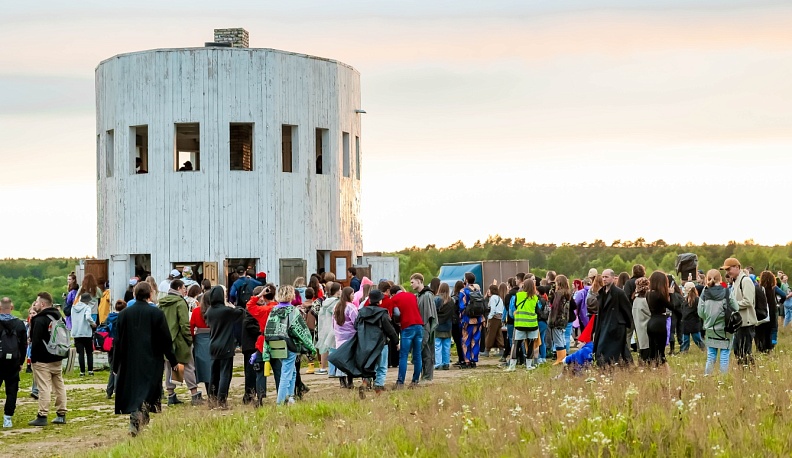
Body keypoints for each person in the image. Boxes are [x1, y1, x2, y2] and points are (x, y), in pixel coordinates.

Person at [114, 282, 178, 436]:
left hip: (130, 359)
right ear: (150, 294)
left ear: (135, 294)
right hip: (152, 358)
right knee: (148, 389)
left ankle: (138, 418)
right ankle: (138, 419)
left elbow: (118, 341)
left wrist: (116, 365)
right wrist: (173, 359)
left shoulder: (123, 314)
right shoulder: (156, 314)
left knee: (135, 389)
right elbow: (165, 340)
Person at [263, 285, 316, 405]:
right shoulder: (293, 311)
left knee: (291, 371)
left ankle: (291, 398)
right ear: (291, 295)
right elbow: (301, 331)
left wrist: (266, 349)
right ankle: (281, 402)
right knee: (286, 373)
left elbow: (268, 329)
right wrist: (310, 347)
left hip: (275, 344)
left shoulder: (273, 310)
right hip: (290, 345)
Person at [159, 279, 202, 406]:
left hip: (166, 340)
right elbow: (184, 324)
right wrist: (189, 338)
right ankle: (195, 394)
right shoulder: (180, 302)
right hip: (180, 340)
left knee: (171, 366)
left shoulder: (162, 303)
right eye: (184, 288)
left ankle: (171, 395)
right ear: (178, 288)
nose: (185, 291)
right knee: (188, 365)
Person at [28, 292, 68, 427]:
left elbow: (36, 341)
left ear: (43, 304)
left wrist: (32, 360)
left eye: (37, 302)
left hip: (42, 359)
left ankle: (42, 415)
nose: (36, 304)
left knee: (44, 387)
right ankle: (61, 414)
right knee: (59, 385)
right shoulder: (58, 316)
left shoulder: (39, 319)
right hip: (57, 356)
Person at [204, 286, 244, 408]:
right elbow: (241, 312)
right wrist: (231, 305)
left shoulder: (209, 311)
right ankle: (222, 400)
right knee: (225, 373)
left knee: (214, 374)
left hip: (213, 344)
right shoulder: (226, 311)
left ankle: (212, 398)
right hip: (225, 344)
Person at [698, 269, 739, 375]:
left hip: (710, 328)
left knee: (711, 356)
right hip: (725, 328)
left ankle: (707, 377)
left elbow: (700, 312)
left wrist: (707, 318)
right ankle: (723, 379)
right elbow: (736, 307)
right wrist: (723, 284)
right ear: (720, 278)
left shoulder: (704, 292)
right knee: (724, 356)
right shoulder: (726, 290)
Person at [593, 269, 633, 366]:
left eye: (606, 277)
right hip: (604, 324)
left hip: (615, 327)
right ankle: (606, 366)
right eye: (603, 277)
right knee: (602, 347)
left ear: (613, 278)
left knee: (616, 349)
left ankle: (618, 367)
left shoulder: (619, 293)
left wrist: (622, 323)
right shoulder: (601, 293)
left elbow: (627, 310)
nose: (604, 279)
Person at [245, 285, 276, 406]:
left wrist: (258, 295)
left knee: (260, 370)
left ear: (264, 296)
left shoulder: (263, 310)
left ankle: (260, 397)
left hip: (264, 341)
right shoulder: (278, 308)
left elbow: (249, 306)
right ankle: (282, 394)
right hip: (278, 341)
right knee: (279, 370)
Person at [722, 257, 756, 365]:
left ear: (737, 267)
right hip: (739, 323)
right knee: (738, 351)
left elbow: (748, 301)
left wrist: (732, 305)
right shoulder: (736, 281)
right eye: (726, 270)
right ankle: (744, 374)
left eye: (729, 269)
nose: (727, 272)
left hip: (746, 323)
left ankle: (749, 374)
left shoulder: (745, 281)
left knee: (745, 352)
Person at [0, 297, 27, 428]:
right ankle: (7, 418)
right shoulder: (19, 324)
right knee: (12, 390)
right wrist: (21, 361)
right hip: (13, 362)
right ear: (12, 308)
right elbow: (23, 345)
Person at [391, 281, 424, 388]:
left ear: (393, 294)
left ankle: (400, 382)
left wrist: (398, 322)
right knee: (417, 354)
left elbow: (397, 313)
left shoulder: (395, 299)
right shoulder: (412, 295)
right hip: (419, 325)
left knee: (404, 355)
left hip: (407, 326)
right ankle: (415, 381)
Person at [505, 278, 540, 371]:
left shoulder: (519, 295)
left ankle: (512, 366)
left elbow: (516, 306)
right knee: (530, 345)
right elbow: (537, 310)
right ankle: (529, 365)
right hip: (532, 324)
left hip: (520, 324)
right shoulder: (535, 298)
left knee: (516, 344)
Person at [411, 274, 437, 382]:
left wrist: (426, 329)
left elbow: (429, 315)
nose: (411, 284)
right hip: (420, 327)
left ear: (419, 281)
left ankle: (427, 376)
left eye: (412, 282)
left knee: (427, 352)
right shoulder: (419, 295)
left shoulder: (427, 295)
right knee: (421, 352)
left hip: (426, 327)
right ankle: (423, 375)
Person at [332, 287, 358, 389]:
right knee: (349, 360)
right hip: (350, 337)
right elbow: (356, 321)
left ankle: (342, 381)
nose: (353, 296)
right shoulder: (351, 307)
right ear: (348, 295)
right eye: (352, 294)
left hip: (339, 337)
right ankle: (350, 381)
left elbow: (333, 322)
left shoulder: (336, 306)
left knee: (341, 359)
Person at [458, 272, 484, 369]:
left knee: (466, 339)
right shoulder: (478, 290)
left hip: (467, 319)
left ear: (466, 280)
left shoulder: (463, 291)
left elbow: (461, 306)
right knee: (476, 340)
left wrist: (461, 316)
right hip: (479, 319)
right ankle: (474, 360)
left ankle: (467, 360)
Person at [646, 271, 670, 368]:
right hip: (660, 322)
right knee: (661, 351)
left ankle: (652, 369)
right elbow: (671, 307)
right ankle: (664, 371)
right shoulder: (660, 295)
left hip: (651, 322)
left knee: (652, 350)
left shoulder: (648, 294)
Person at [189, 292, 212, 394]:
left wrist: (192, 339)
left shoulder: (196, 311)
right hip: (213, 336)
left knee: (203, 365)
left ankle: (207, 388)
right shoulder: (214, 311)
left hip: (200, 339)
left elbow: (191, 326)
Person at [317, 282, 341, 376]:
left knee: (328, 348)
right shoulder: (336, 302)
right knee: (335, 349)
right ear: (337, 291)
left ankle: (328, 369)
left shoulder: (326, 301)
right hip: (333, 327)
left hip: (325, 327)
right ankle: (335, 370)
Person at [71, 293, 97, 376]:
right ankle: (90, 371)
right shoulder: (87, 307)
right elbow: (88, 317)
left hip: (76, 333)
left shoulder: (73, 308)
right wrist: (93, 324)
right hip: (86, 332)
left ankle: (82, 372)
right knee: (89, 352)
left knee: (80, 353)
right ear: (87, 301)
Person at [104, 299, 125, 399]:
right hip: (120, 344)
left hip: (110, 344)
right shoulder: (123, 318)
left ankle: (109, 390)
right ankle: (117, 388)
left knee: (112, 368)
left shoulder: (109, 317)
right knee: (120, 368)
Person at [549, 275, 572, 365]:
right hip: (564, 319)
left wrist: (552, 321)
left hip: (557, 319)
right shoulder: (567, 293)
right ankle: (563, 357)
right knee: (562, 338)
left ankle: (560, 358)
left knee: (557, 339)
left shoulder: (559, 294)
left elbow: (555, 306)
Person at [434, 283, 455, 371]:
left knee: (437, 345)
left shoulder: (436, 299)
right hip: (448, 325)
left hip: (438, 325)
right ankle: (446, 363)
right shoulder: (452, 300)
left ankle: (438, 363)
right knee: (447, 346)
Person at [756, 271, 778, 352]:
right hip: (772, 313)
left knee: (761, 333)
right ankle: (771, 346)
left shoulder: (759, 289)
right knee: (772, 332)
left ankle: (761, 347)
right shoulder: (773, 289)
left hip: (762, 313)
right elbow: (782, 295)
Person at [680, 282, 705, 352]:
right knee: (685, 339)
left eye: (685, 288)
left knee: (697, 338)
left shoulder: (696, 299)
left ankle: (704, 348)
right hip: (686, 323)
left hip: (694, 323)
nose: (684, 289)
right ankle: (684, 350)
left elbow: (699, 310)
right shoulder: (685, 300)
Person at [631, 277, 651, 363]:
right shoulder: (645, 301)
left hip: (639, 328)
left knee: (642, 348)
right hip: (646, 328)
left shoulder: (635, 300)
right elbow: (650, 313)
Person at [483, 285, 505, 357]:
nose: (488, 291)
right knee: (499, 334)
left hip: (494, 318)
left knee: (490, 334)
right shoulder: (499, 298)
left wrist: (489, 317)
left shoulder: (492, 298)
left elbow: (493, 309)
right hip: (499, 318)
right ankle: (501, 349)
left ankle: (487, 350)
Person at [451, 281, 465, 367]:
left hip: (455, 322)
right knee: (463, 340)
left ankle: (461, 359)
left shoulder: (454, 298)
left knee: (458, 341)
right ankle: (465, 358)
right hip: (463, 321)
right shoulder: (463, 297)